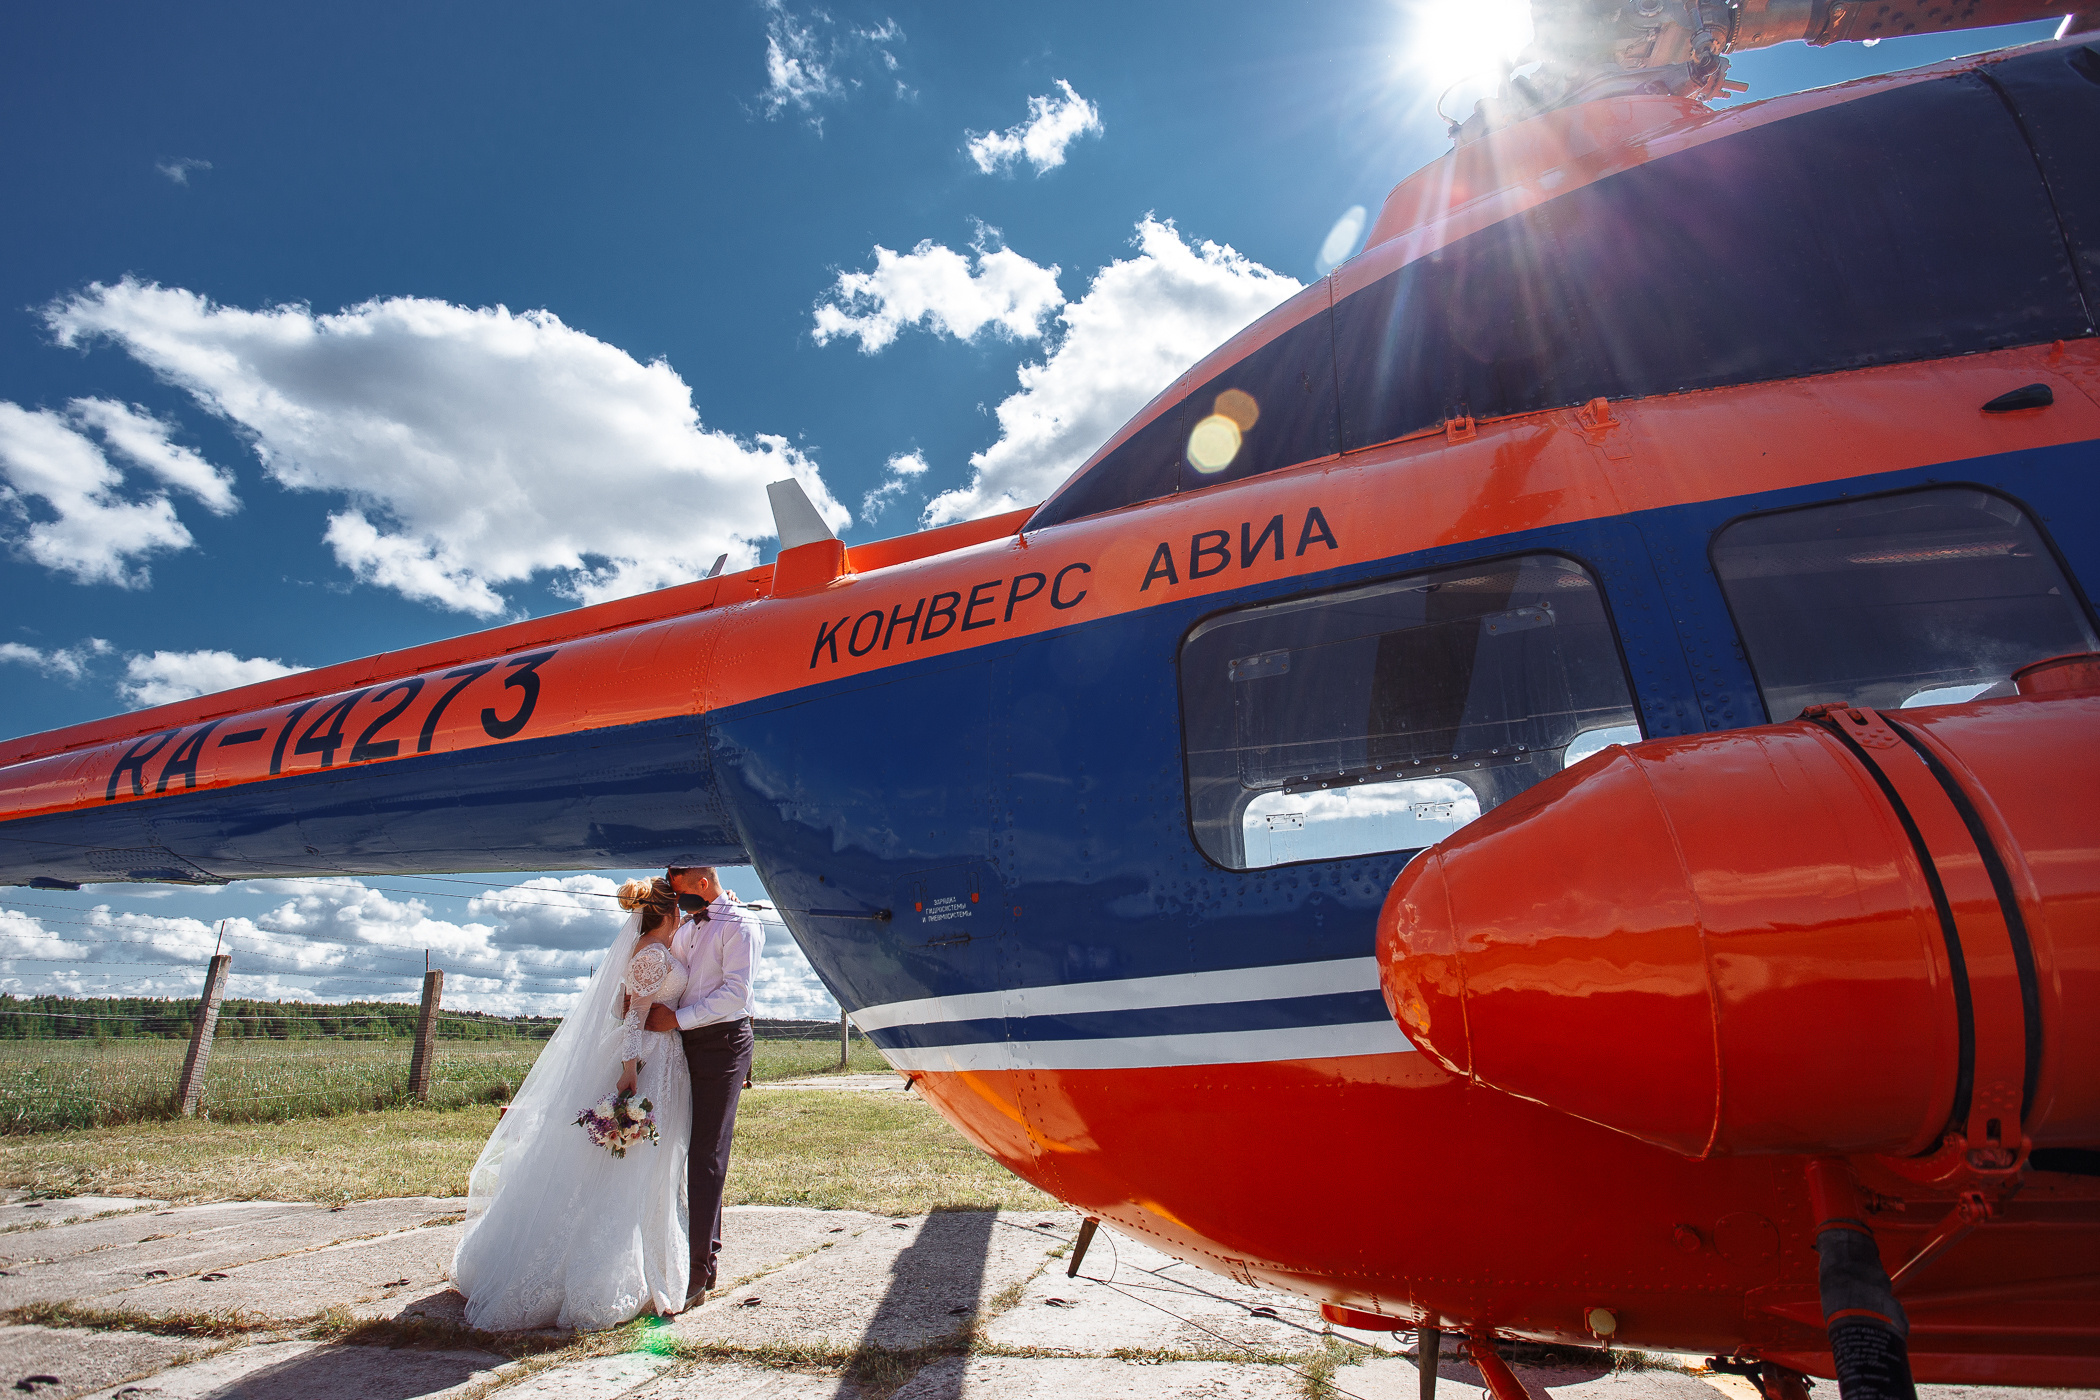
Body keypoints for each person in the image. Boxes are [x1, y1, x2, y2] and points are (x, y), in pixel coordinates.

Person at [449, 878, 693, 1330]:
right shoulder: (652, 955)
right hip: (648, 1061)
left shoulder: (652, 950)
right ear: (669, 911)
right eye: (681, 908)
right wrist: (629, 1071)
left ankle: (649, 1254)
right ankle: (604, 1272)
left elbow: (624, 1010)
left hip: (664, 1057)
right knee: (633, 1163)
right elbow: (634, 1018)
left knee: (651, 1163)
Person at [641, 864, 762, 1310]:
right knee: (674, 1143)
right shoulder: (692, 925)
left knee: (707, 1151)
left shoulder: (742, 924)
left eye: (681, 892)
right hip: (680, 1045)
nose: (679, 901)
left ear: (703, 885)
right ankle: (681, 1249)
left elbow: (735, 994)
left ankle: (700, 1267)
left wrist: (677, 1019)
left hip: (722, 1043)